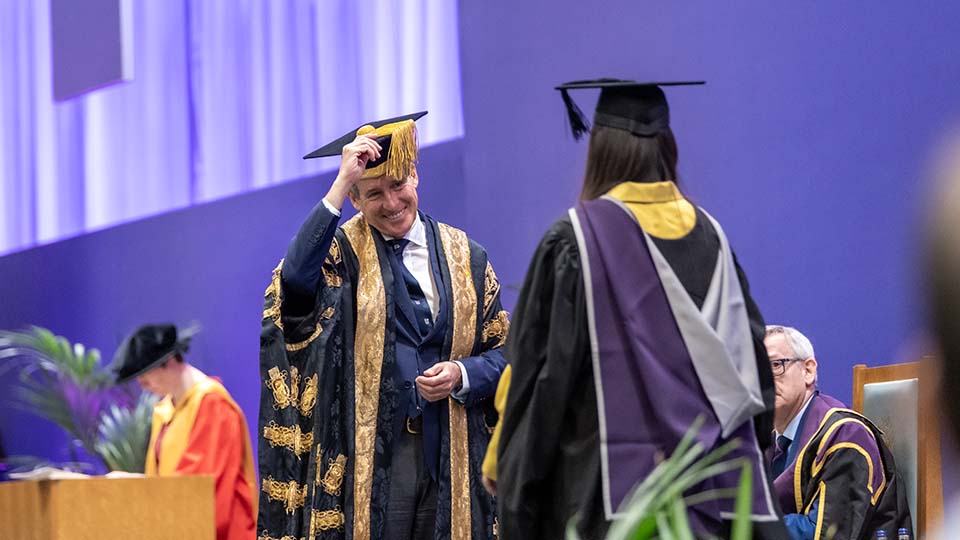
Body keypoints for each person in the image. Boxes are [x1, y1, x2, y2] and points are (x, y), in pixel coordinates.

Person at [490, 78, 786, 540]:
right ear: (667, 145)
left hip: (615, 511)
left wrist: (517, 499)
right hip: (717, 507)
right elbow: (756, 382)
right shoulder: (713, 238)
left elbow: (541, 387)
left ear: (600, 150)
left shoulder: (575, 241)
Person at [257, 111, 507, 540]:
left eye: (398, 185)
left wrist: (462, 373)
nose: (391, 203)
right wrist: (338, 183)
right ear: (354, 199)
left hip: (453, 455)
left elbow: (504, 353)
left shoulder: (467, 255)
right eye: (373, 193)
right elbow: (295, 283)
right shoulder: (338, 256)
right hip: (369, 465)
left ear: (415, 175)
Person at [764, 325, 911, 539]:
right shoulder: (767, 442)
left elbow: (827, 534)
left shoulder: (846, 437)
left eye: (776, 365)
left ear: (808, 370)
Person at [112, 323, 256, 540]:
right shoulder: (166, 411)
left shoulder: (213, 405)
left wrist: (137, 486)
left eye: (145, 375)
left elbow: (199, 485)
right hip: (178, 526)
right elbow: (164, 479)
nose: (142, 384)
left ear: (169, 362)